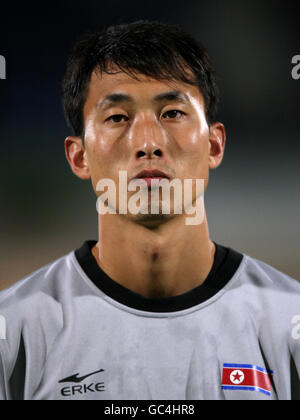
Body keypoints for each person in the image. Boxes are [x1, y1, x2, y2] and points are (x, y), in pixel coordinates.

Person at [0, 20, 299, 401]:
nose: (148, 142)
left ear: (214, 145)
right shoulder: (15, 331)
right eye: (118, 117)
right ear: (79, 157)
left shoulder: (288, 323)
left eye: (172, 113)